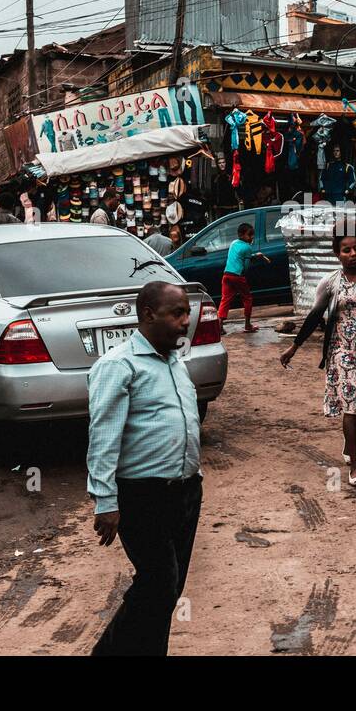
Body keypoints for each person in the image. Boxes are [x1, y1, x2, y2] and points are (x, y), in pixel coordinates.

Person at [87, 281, 202, 656]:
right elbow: (104, 434)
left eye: (186, 311)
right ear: (149, 315)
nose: (185, 321)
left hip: (185, 491)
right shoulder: (119, 365)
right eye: (176, 313)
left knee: (168, 589)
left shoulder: (173, 361)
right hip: (142, 494)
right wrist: (105, 500)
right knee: (159, 583)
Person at [279, 233, 356, 487]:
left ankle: (349, 442)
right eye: (346, 250)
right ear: (337, 253)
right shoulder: (330, 282)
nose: (353, 254)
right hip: (343, 352)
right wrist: (294, 346)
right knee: (352, 405)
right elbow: (314, 316)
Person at [219, 221, 269, 333]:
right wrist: (243, 276)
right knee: (247, 299)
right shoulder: (247, 247)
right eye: (250, 234)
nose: (252, 237)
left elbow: (239, 257)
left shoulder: (233, 243)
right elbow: (245, 266)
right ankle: (247, 325)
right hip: (237, 276)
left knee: (225, 299)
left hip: (226, 275)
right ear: (241, 235)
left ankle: (219, 325)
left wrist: (255, 256)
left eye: (252, 234)